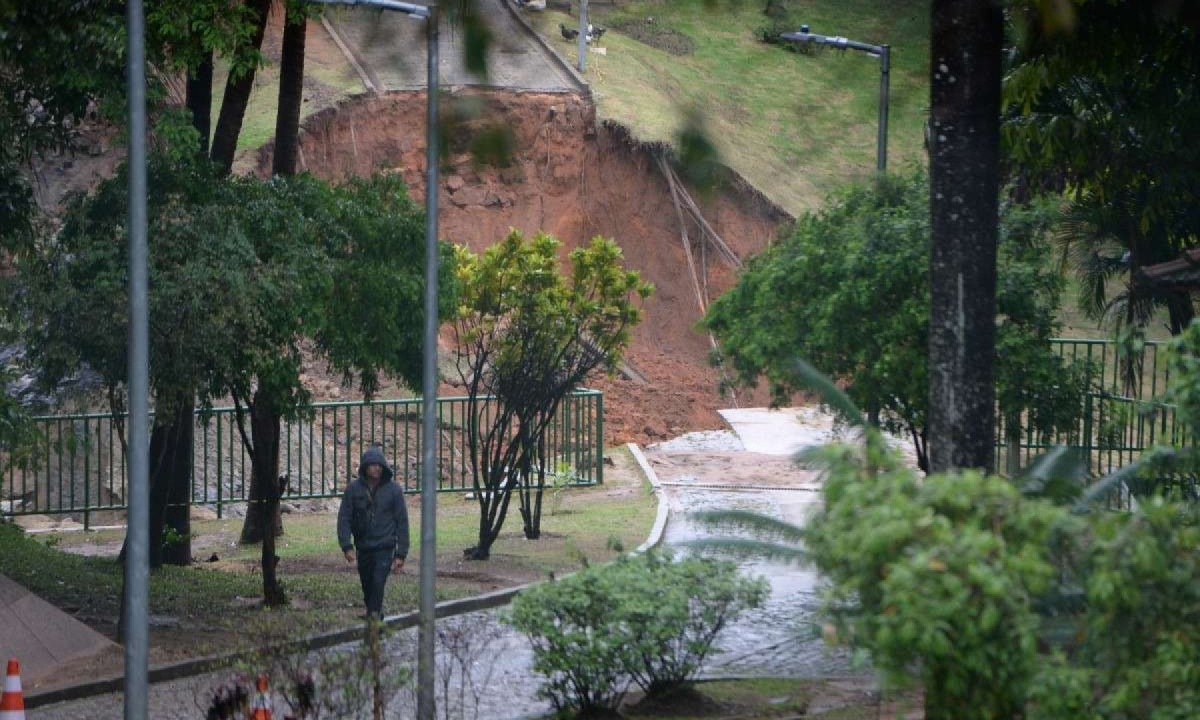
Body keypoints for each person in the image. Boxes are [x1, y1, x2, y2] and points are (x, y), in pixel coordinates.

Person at [337, 447, 409, 618]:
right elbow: (344, 518)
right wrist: (346, 546)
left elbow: (402, 522)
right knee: (367, 585)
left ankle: (374, 620)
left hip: (385, 546)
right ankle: (374, 613)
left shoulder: (394, 490)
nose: (377, 468)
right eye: (372, 465)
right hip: (363, 546)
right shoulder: (353, 490)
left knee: (378, 582)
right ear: (365, 467)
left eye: (379, 465)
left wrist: (401, 554)